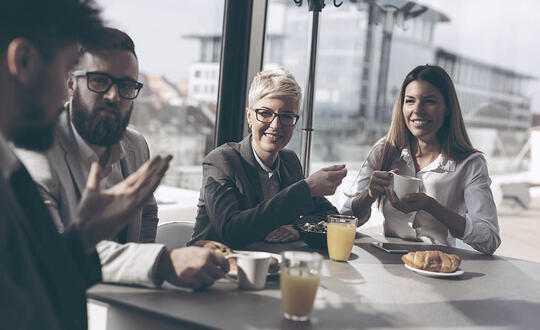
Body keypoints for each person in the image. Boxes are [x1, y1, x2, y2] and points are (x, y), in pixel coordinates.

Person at [0, 1, 173, 329]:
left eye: (125, 87)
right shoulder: (26, 161)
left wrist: (83, 236)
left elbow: (36, 291)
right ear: (23, 61)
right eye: (68, 67)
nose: (112, 96)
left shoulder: (9, 166)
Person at [17, 27, 230, 289]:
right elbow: (53, 249)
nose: (113, 96)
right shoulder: (36, 149)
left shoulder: (135, 144)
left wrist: (140, 280)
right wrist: (160, 262)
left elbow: (148, 212)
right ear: (71, 80)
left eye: (126, 85)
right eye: (99, 80)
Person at [342, 64, 500, 255]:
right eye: (410, 101)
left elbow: (490, 240)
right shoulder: (384, 151)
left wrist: (431, 206)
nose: (417, 110)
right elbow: (344, 220)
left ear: (447, 108)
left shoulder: (470, 163)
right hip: (389, 265)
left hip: (439, 268)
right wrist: (368, 195)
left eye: (429, 101)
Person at [189, 68, 347, 249]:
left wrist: (297, 228)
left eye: (286, 116)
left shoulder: (289, 162)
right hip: (214, 267)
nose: (275, 125)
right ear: (250, 116)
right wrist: (306, 188)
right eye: (265, 113)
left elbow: (329, 214)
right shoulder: (221, 161)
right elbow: (231, 231)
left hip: (268, 266)